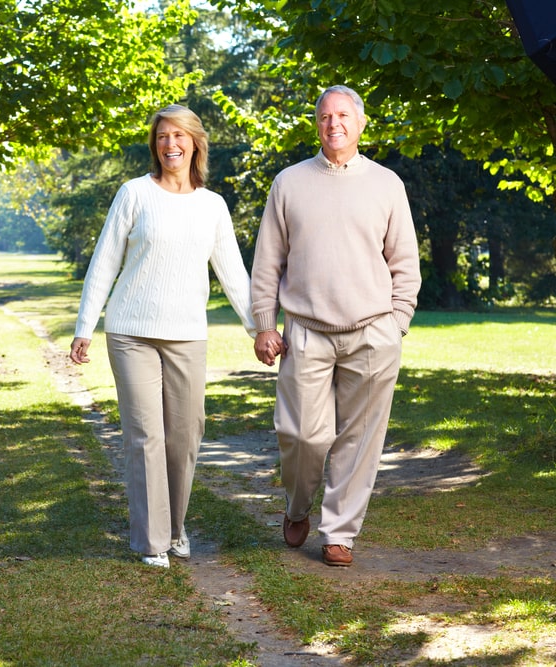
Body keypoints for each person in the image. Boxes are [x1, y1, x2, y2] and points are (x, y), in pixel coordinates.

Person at [70, 104, 258, 568]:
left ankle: (175, 529)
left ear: (195, 143)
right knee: (145, 436)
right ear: (154, 146)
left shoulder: (212, 206)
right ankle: (151, 541)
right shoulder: (134, 194)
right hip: (131, 332)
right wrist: (84, 327)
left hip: (187, 336)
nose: (170, 144)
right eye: (161, 137)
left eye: (179, 136)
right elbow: (105, 262)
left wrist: (260, 327)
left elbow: (233, 273)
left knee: (185, 435)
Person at [251, 85, 422, 567]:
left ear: (361, 123)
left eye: (343, 115)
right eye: (325, 116)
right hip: (304, 330)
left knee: (360, 438)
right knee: (303, 435)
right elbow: (267, 263)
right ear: (317, 125)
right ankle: (297, 506)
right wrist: (265, 324)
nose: (334, 124)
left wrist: (397, 323)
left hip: (373, 331)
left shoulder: (388, 184)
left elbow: (405, 263)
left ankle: (339, 532)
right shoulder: (289, 182)